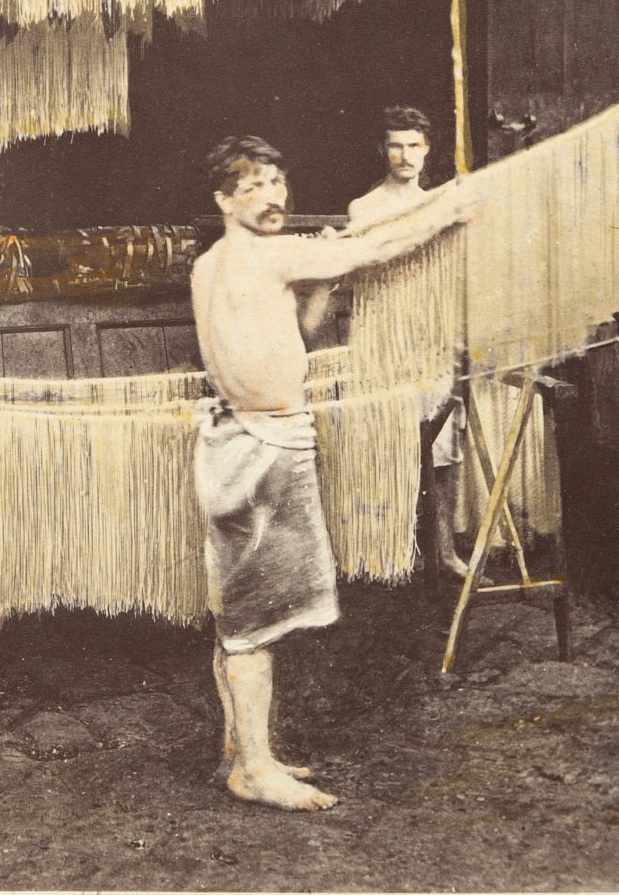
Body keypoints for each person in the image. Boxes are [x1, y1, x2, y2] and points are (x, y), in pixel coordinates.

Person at [192, 135, 474, 809]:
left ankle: (239, 752)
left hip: (250, 441)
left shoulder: (216, 264)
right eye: (254, 186)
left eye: (278, 184)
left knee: (237, 612)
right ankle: (256, 770)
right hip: (258, 447)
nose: (273, 198)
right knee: (252, 619)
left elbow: (301, 333)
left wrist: (319, 281)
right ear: (224, 200)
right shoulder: (264, 253)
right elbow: (370, 248)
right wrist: (447, 210)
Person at [346, 106, 471, 576]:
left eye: (414, 145)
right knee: (387, 442)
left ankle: (444, 551)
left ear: (427, 149)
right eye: (395, 145)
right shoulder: (365, 207)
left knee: (442, 447)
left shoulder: (442, 200)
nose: (404, 155)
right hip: (384, 331)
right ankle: (389, 550)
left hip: (430, 330)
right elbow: (371, 263)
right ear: (383, 149)